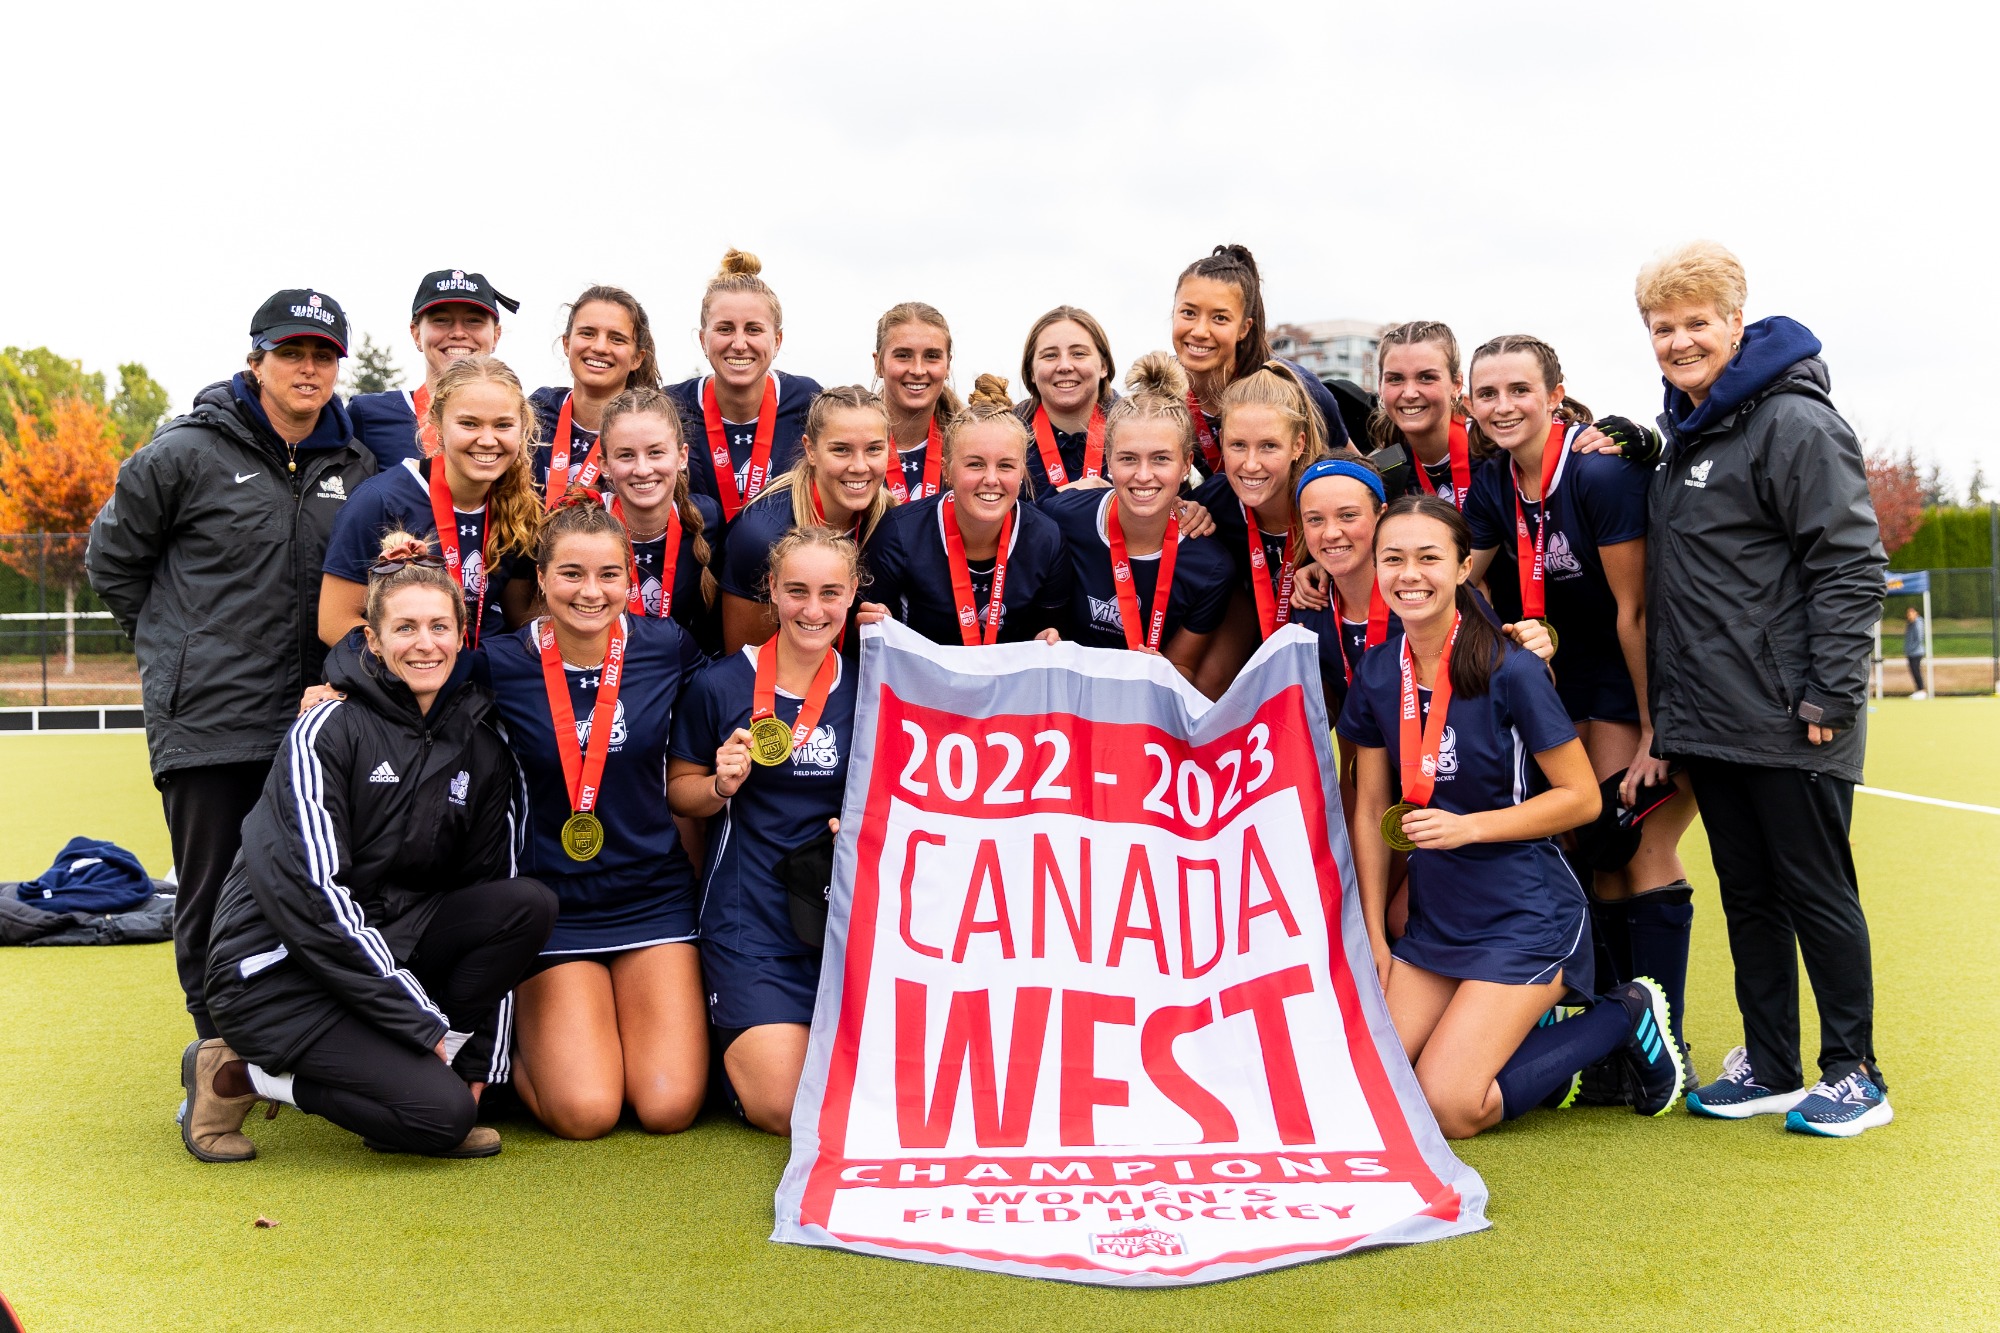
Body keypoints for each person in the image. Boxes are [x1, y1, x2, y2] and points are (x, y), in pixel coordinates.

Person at [1619, 240, 1889, 1135]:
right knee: (1749, 896)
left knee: (1818, 893)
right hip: (1715, 722)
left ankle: (1856, 1072)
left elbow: (1850, 566)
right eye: (1665, 327)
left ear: (1737, 324)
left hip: (1793, 716)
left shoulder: (1793, 422)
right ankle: (1772, 1062)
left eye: (1699, 323)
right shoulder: (1691, 432)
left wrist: (1830, 698)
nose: (1681, 341)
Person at [185, 533, 556, 1161]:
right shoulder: (325, 727)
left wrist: (470, 1057)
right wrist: (418, 1022)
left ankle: (436, 1077)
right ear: (373, 640)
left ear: (461, 635)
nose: (424, 642)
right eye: (404, 627)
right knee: (438, 1121)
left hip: (381, 960)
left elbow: (481, 890)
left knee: (526, 904)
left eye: (440, 626)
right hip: (278, 973)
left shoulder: (481, 746)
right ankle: (234, 1073)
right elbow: (314, 895)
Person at [1339, 496, 1685, 1138]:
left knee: (1449, 1106)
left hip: (1528, 916)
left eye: (1428, 558)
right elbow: (1367, 810)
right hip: (1438, 918)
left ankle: (1621, 1013)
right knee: (1371, 1088)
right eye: (1393, 559)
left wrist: (1469, 827)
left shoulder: (1511, 668)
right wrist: (1375, 939)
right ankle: (1533, 1049)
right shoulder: (1379, 670)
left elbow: (1581, 799)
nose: (1409, 574)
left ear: (1464, 566)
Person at [87, 288, 376, 1049]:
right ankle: (217, 1061)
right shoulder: (184, 451)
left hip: (319, 720)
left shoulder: (358, 464)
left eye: (323, 355)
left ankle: (300, 1047)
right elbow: (111, 561)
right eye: (291, 352)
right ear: (256, 360)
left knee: (315, 885)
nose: (308, 368)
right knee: (212, 893)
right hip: (210, 720)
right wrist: (172, 648)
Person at [1460, 334, 1699, 1078]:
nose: (1504, 406)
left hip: (1646, 673)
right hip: (1577, 675)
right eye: (1488, 393)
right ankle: (1615, 1039)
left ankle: (1668, 1041)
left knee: (1639, 843)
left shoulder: (1598, 472)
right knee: (1590, 850)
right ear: (1470, 404)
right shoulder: (1496, 483)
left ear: (1554, 395)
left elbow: (1638, 610)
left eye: (1519, 390)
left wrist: (1659, 728)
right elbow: (1457, 576)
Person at [480, 498, 710, 1139]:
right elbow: (404, 673)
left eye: (610, 574)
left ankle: (586, 1038)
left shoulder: (668, 649)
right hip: (552, 907)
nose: (591, 591)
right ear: (544, 580)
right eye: (572, 574)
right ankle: (523, 1057)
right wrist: (335, 679)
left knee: (667, 1108)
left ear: (630, 579)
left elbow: (732, 698)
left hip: (653, 896)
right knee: (586, 1113)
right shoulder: (501, 663)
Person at [668, 528, 861, 1134]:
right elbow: (680, 792)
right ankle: (734, 1059)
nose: (813, 609)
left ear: (853, 594)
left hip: (843, 928)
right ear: (771, 591)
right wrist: (720, 786)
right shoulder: (719, 685)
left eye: (830, 592)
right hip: (749, 920)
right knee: (784, 1106)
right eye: (797, 590)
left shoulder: (873, 685)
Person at [1042, 353, 1236, 692]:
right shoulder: (1062, 517)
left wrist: (1164, 675)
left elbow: (1184, 667)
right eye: (1128, 459)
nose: (1143, 476)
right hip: (1066, 709)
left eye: (1161, 459)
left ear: (1186, 463)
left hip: (1144, 718)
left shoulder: (1210, 565)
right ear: (1109, 462)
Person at [320, 355, 542, 648]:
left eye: (503, 425)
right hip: (401, 679)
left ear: (522, 425)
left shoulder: (518, 504)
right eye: (469, 424)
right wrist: (416, 666)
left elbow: (519, 620)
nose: (488, 440)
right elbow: (334, 621)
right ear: (437, 423)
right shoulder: (380, 501)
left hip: (476, 680)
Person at [860, 375, 1072, 645]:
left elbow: (1052, 633)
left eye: (1006, 466)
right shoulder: (898, 533)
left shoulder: (1047, 539)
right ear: (947, 470)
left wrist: (1050, 637)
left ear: (1022, 471)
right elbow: (869, 640)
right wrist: (868, 625)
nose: (991, 479)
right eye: (975, 464)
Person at [717, 386, 895, 654]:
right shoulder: (761, 536)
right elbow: (746, 667)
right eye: (841, 450)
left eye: (873, 449)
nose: (860, 466)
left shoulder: (887, 520)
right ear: (810, 450)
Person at [1189, 360, 1329, 694]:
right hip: (1248, 621)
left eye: (1269, 446)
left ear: (1298, 445)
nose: (1251, 464)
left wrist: (1332, 563)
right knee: (1207, 676)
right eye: (1238, 445)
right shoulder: (1213, 500)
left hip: (1319, 624)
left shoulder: (1326, 495)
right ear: (1221, 442)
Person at [664, 250, 823, 528]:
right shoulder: (670, 406)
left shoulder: (807, 400)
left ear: (778, 340)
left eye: (753, 329)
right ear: (703, 340)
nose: (739, 343)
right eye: (725, 329)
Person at [1170, 243, 1349, 476]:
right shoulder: (1158, 393)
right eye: (1189, 313)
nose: (1200, 331)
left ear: (1244, 328)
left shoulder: (1296, 386)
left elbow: (1354, 467)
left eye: (1220, 318)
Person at [597, 387, 724, 657]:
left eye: (655, 452)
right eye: (626, 455)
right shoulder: (582, 528)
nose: (642, 469)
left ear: (682, 457)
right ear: (604, 464)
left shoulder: (706, 519)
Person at [348, 269, 518, 470]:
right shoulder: (368, 415)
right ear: (416, 333)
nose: (458, 333)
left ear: (496, 335)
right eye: (441, 320)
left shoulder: (520, 422)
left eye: (473, 321)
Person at [532, 286, 661, 509]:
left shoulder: (653, 428)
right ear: (566, 344)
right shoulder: (536, 413)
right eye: (587, 333)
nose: (600, 347)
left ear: (637, 358)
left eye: (617, 339)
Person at [1014, 306, 1117, 496]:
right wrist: (1062, 495)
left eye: (1078, 353)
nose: (1064, 366)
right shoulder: (1007, 438)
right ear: (1031, 372)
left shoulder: (1139, 427)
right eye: (1050, 355)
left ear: (1104, 366)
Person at [873, 302, 962, 502]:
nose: (918, 370)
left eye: (932, 356)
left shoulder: (969, 447)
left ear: (948, 365)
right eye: (903, 356)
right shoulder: (854, 450)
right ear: (878, 364)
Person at [1904, 605, 1928, 699]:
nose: (1909, 615)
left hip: (1916, 652)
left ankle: (1921, 690)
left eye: (1911, 613)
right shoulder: (1910, 623)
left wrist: (1912, 648)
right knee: (1913, 671)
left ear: (1916, 613)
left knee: (1916, 670)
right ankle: (1918, 690)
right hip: (1911, 652)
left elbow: (1918, 637)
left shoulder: (1918, 623)